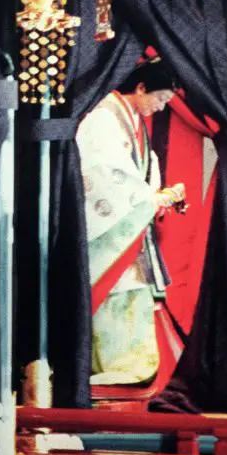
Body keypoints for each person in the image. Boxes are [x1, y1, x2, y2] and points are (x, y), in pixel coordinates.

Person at [77, 58, 185, 387]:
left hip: (130, 229)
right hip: (109, 231)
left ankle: (130, 369)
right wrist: (152, 199)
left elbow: (140, 174)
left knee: (130, 297)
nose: (162, 107)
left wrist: (160, 195)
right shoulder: (102, 119)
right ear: (140, 88)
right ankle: (113, 369)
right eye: (161, 99)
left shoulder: (129, 120)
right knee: (115, 299)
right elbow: (104, 175)